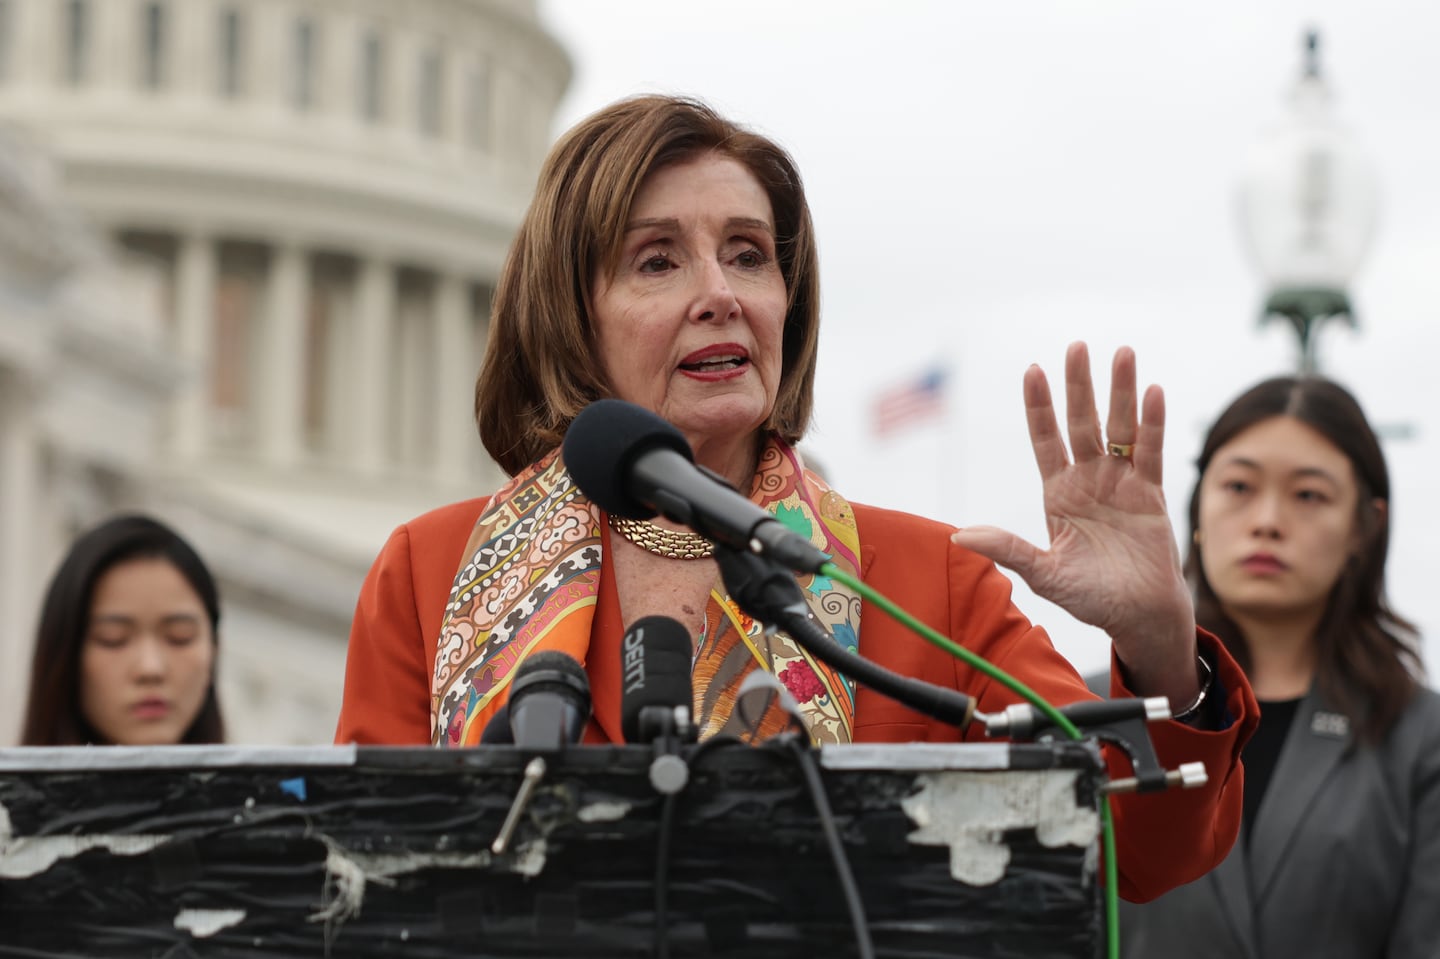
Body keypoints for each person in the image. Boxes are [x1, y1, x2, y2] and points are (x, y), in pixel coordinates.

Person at [335, 94, 1257, 902]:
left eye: (748, 255)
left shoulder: (925, 576)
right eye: (657, 261)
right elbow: (357, 875)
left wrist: (1157, 648)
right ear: (569, 314)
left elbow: (1141, 851)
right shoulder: (432, 569)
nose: (720, 295)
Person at [1113, 376, 1440, 956]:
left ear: (1364, 527)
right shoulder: (1091, 711)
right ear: (1197, 513)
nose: (1267, 520)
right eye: (1238, 486)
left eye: (1308, 495)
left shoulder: (1420, 736)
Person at [21, 513, 225, 746]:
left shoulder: (269, 782)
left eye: (180, 636)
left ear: (214, 649)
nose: (150, 668)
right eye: (113, 638)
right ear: (66, 655)